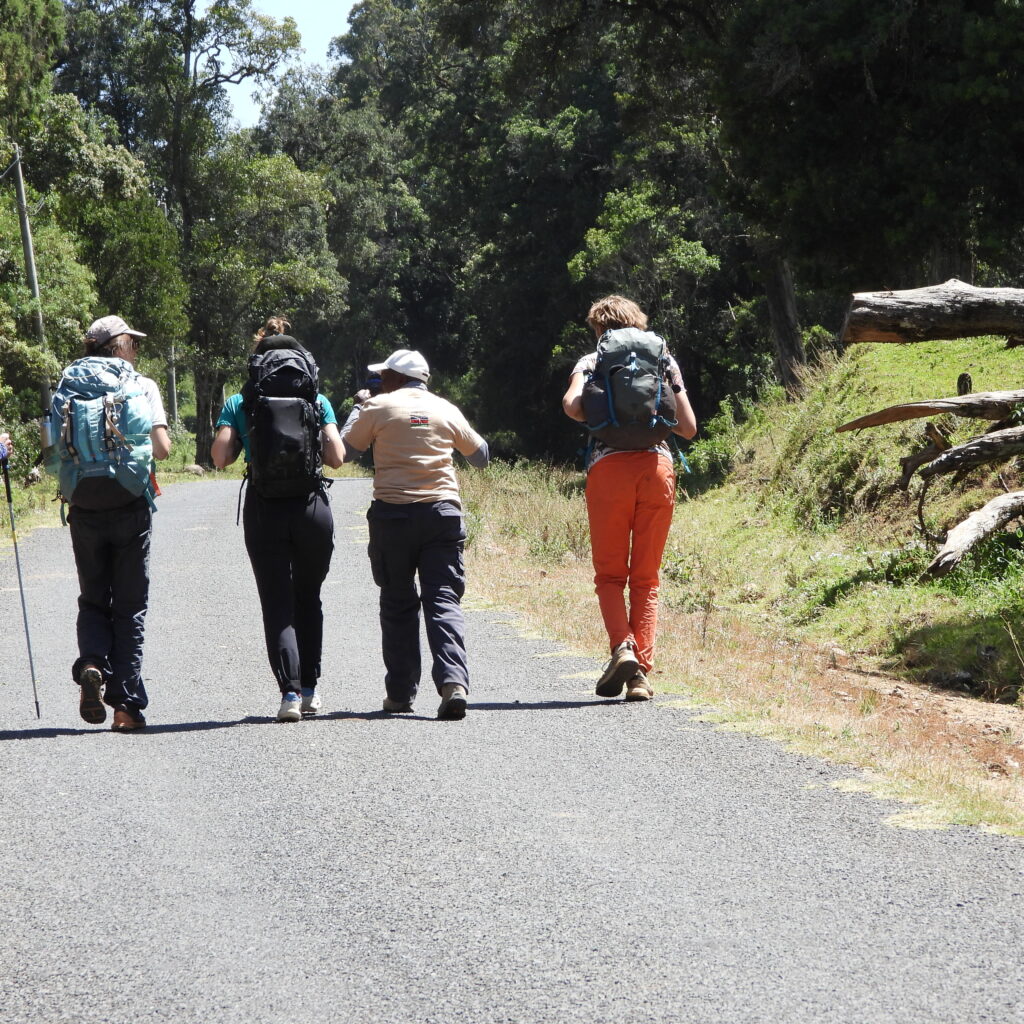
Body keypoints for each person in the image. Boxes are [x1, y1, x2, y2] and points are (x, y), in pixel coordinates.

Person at [561, 295, 697, 702]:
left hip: (609, 473)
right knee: (646, 577)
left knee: (609, 575)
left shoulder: (591, 360)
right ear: (639, 324)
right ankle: (640, 678)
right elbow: (687, 428)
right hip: (657, 471)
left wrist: (600, 405)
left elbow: (572, 408)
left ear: (599, 328)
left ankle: (623, 648)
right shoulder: (664, 361)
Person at [342, 349, 489, 720]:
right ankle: (454, 682)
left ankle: (400, 693)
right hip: (442, 513)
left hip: (393, 516)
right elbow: (481, 455)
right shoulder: (445, 408)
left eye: (383, 375)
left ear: (394, 377)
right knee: (443, 599)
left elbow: (345, 450)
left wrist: (360, 408)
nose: (379, 380)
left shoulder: (378, 406)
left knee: (397, 603)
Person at [211, 317, 346, 722]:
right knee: (309, 598)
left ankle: (288, 695)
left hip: (264, 506)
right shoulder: (316, 400)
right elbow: (337, 458)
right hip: (311, 508)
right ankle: (310, 689)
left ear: (257, 362)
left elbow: (220, 458)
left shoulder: (241, 401)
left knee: (277, 602)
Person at [63, 315, 171, 731]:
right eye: (133, 344)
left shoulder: (69, 384)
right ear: (120, 346)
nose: (136, 352)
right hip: (129, 504)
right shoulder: (141, 386)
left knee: (93, 599)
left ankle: (91, 662)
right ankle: (125, 707)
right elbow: (161, 450)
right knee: (129, 607)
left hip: (84, 505)